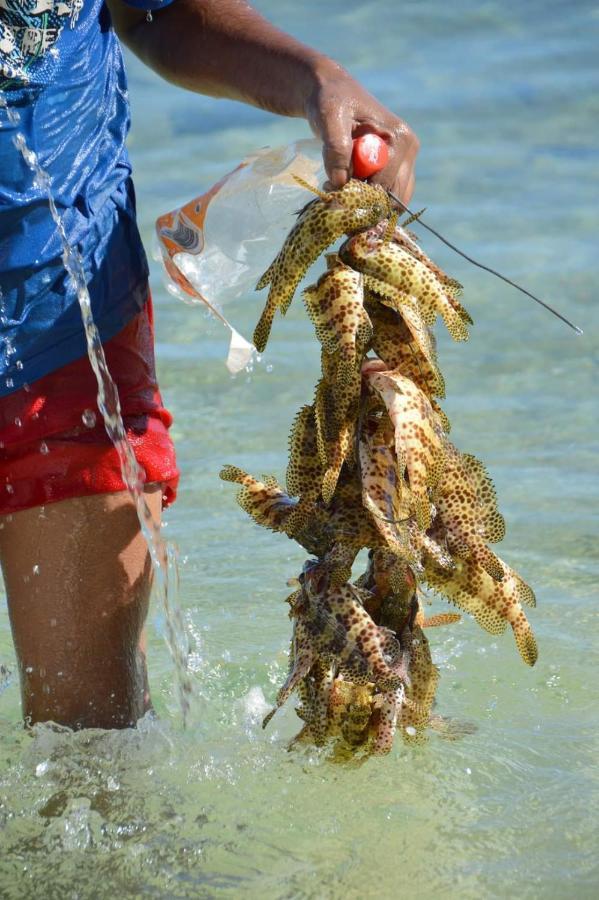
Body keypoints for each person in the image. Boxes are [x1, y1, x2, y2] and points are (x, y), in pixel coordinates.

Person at [0, 0, 419, 729]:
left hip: (64, 314)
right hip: (65, 310)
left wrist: (316, 78)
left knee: (93, 755)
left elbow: (158, 12)